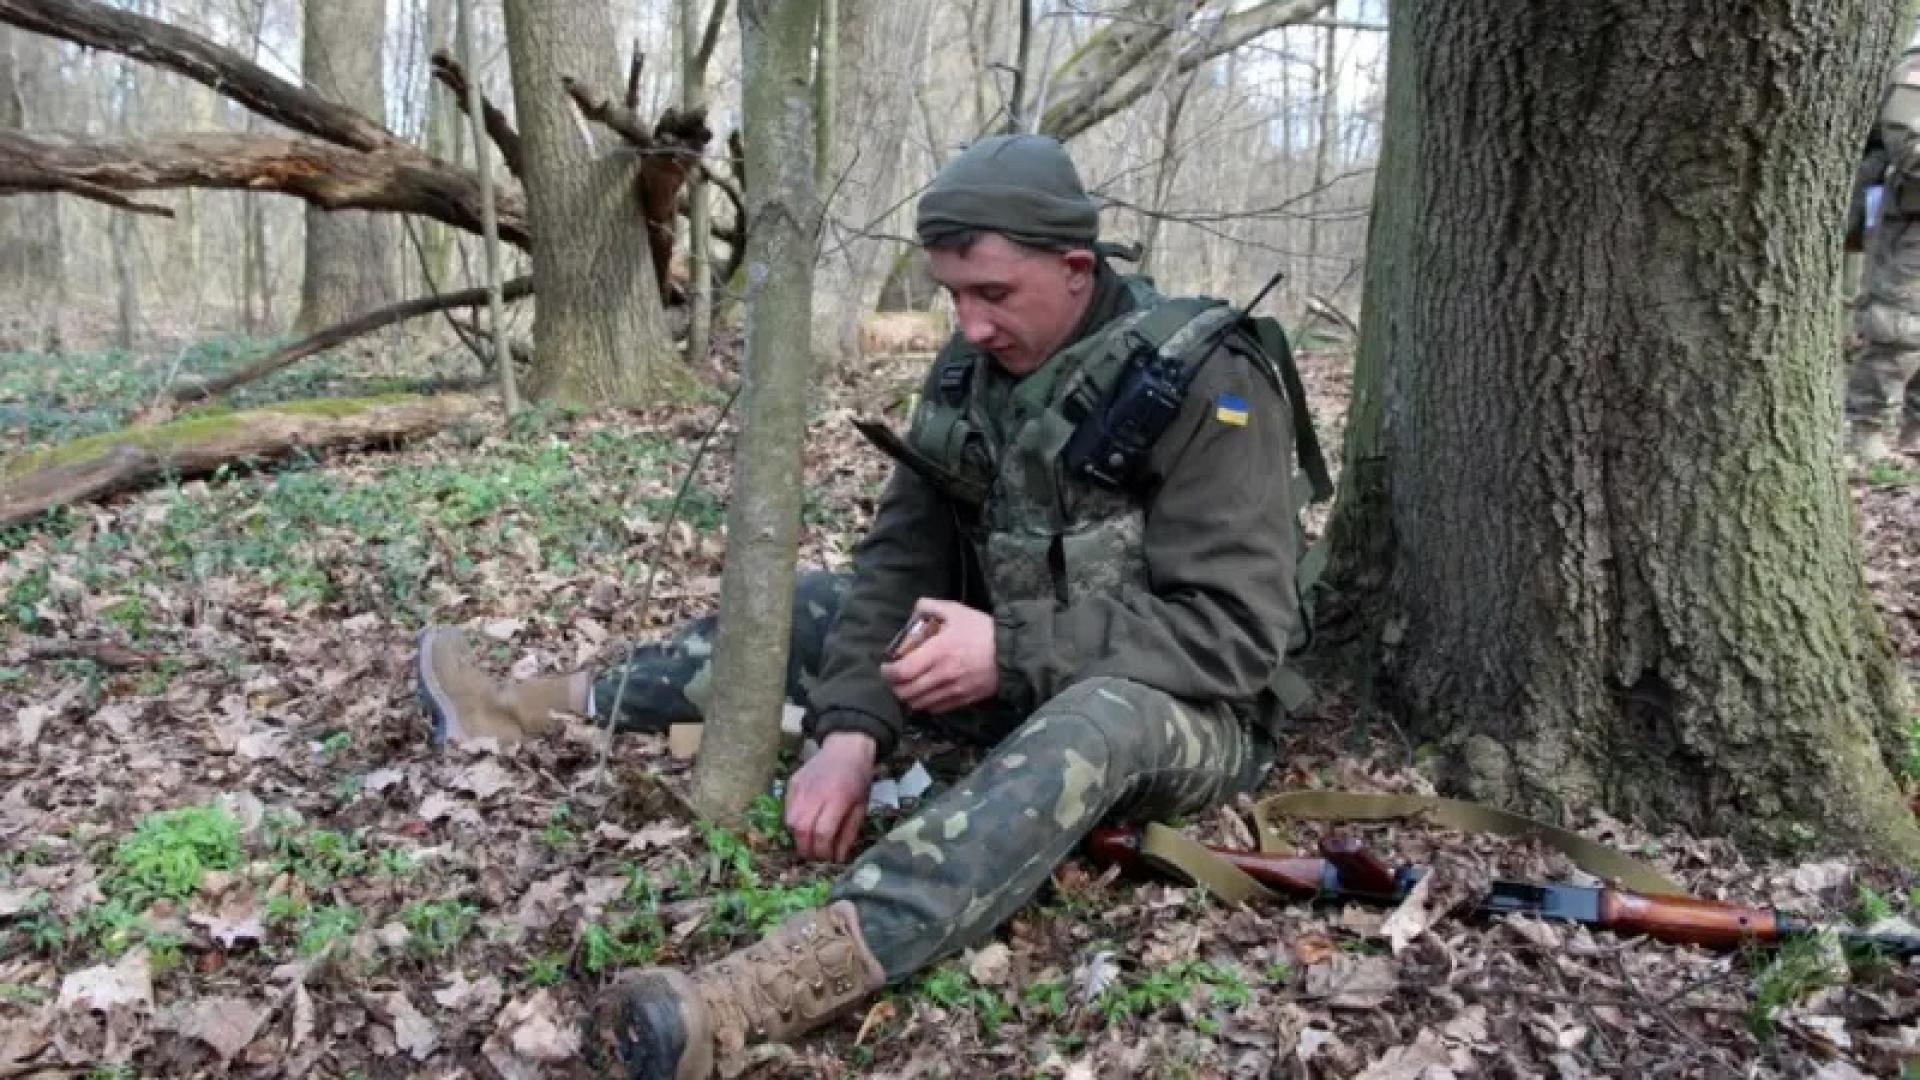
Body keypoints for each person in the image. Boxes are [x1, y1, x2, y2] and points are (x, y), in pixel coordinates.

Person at [418, 134, 1321, 1079]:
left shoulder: (1208, 380)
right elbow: (900, 559)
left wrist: (1009, 651)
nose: (969, 324)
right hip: (1017, 659)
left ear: (1076, 269)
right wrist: (851, 729)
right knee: (819, 603)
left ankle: (750, 998)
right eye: (954, 296)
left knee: (1098, 720)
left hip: (1185, 711)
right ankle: (533, 706)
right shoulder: (972, 370)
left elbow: (1236, 634)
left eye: (994, 295)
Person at [1846, 29, 1920, 464]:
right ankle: (1866, 430)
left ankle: (1914, 430)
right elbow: (1908, 146)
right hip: (1911, 218)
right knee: (1898, 326)